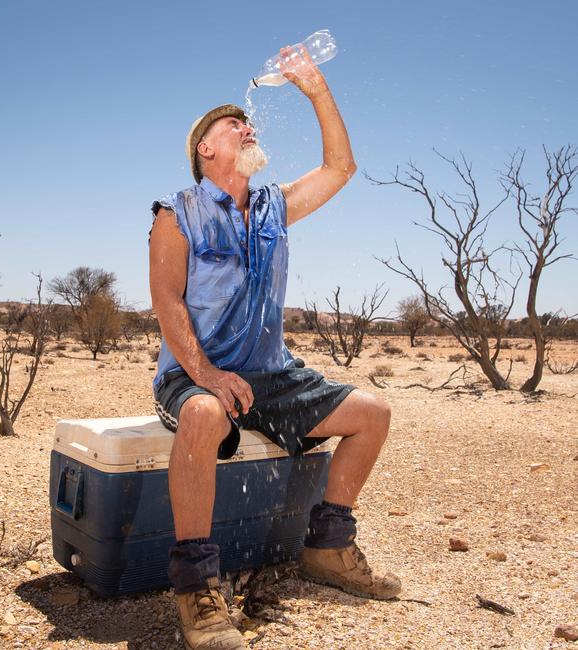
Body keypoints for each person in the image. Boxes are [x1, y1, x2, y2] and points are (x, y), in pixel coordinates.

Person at [149, 45, 401, 650]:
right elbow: (168, 304)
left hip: (270, 374)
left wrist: (315, 89)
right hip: (193, 373)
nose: (247, 126)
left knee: (372, 414)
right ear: (205, 148)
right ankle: (197, 588)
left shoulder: (274, 208)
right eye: (232, 124)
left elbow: (341, 167)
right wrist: (206, 373)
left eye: (248, 121)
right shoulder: (176, 215)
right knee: (206, 414)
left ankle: (328, 547)